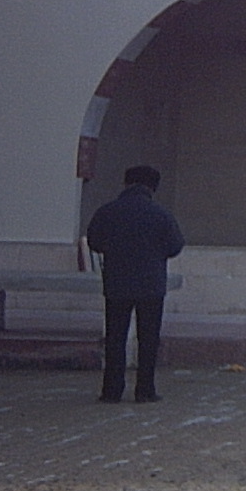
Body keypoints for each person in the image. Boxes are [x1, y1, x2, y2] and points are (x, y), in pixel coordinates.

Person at [86, 165, 185, 403]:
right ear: (152, 187)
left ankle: (112, 391)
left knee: (115, 338)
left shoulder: (108, 211)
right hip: (151, 285)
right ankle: (145, 390)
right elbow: (175, 246)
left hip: (117, 283)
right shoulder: (161, 214)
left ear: (126, 183)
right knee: (148, 340)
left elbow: (94, 242)